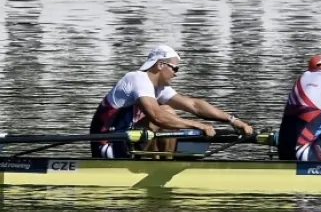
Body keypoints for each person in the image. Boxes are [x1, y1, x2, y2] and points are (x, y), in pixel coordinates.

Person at [89, 45, 254, 158]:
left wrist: (233, 120)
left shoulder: (158, 88)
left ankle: (163, 163)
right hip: (108, 147)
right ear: (160, 65)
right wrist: (198, 125)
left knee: (169, 114)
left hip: (128, 144)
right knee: (166, 112)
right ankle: (163, 166)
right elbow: (157, 117)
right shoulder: (137, 78)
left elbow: (195, 106)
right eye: (175, 68)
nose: (176, 73)